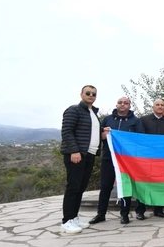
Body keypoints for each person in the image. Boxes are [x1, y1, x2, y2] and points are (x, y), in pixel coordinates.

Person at [60, 85, 108, 234]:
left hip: (90, 154)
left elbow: (90, 133)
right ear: (81, 94)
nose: (91, 95)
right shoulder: (73, 110)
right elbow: (67, 131)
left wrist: (103, 133)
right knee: (73, 187)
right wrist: (74, 150)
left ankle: (74, 217)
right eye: (88, 93)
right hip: (76, 154)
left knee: (80, 188)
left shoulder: (93, 113)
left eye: (94, 94)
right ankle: (66, 220)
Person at [89, 97, 143, 225]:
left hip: (126, 160)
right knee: (105, 187)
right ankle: (100, 214)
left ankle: (124, 214)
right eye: (120, 102)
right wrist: (102, 135)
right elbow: (98, 135)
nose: (123, 105)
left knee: (125, 186)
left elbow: (139, 138)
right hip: (108, 158)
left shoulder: (136, 121)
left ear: (129, 106)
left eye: (126, 103)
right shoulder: (107, 119)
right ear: (116, 105)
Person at [135, 99, 164, 220]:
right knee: (143, 183)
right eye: (157, 105)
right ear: (153, 107)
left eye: (162, 105)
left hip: (162, 159)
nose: (160, 107)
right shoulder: (143, 120)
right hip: (146, 158)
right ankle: (140, 210)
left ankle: (159, 209)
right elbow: (138, 137)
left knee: (160, 183)